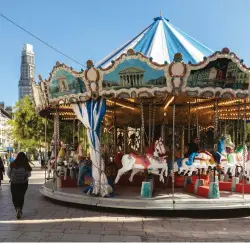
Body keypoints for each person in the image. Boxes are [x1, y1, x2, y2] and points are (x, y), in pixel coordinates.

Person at [7, 152, 32, 219]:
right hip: (23, 183)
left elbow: (8, 173)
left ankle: (17, 208)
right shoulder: (26, 165)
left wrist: (12, 178)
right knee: (21, 196)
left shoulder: (12, 164)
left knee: (14, 196)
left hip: (14, 183)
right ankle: (20, 209)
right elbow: (29, 175)